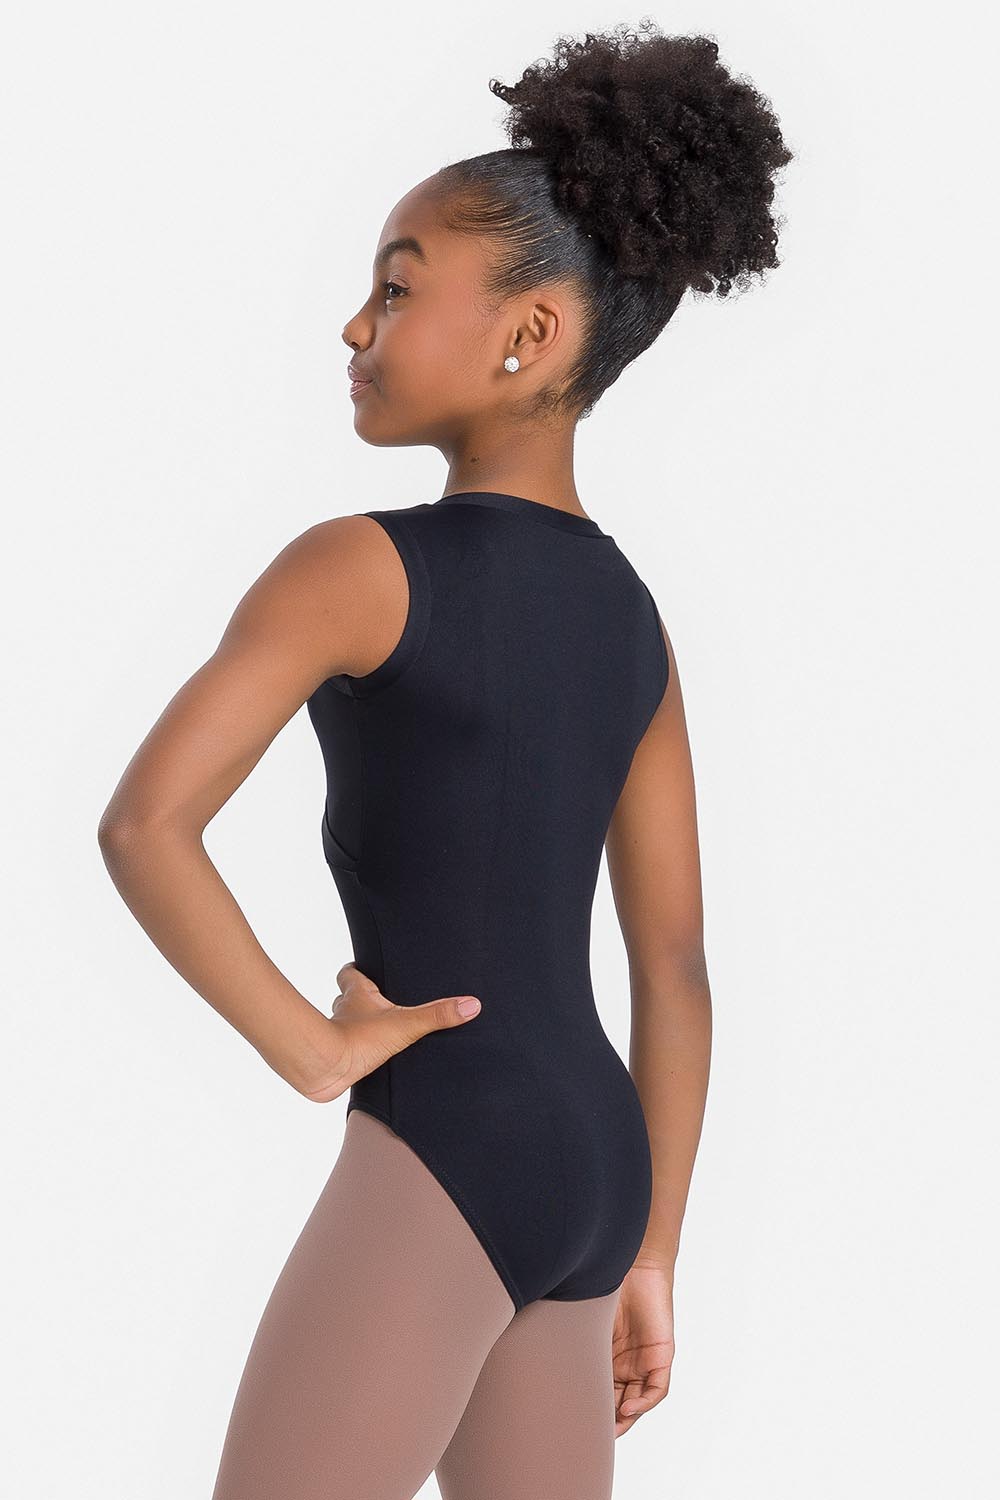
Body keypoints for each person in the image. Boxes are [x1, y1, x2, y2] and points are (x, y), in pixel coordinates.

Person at [98, 20, 791, 1500]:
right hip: (597, 1163)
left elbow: (147, 824)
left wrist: (312, 1046)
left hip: (450, 1140)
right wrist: (652, 1251)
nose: (355, 327)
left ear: (529, 334)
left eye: (399, 287)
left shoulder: (355, 568)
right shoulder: (631, 613)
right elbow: (674, 962)